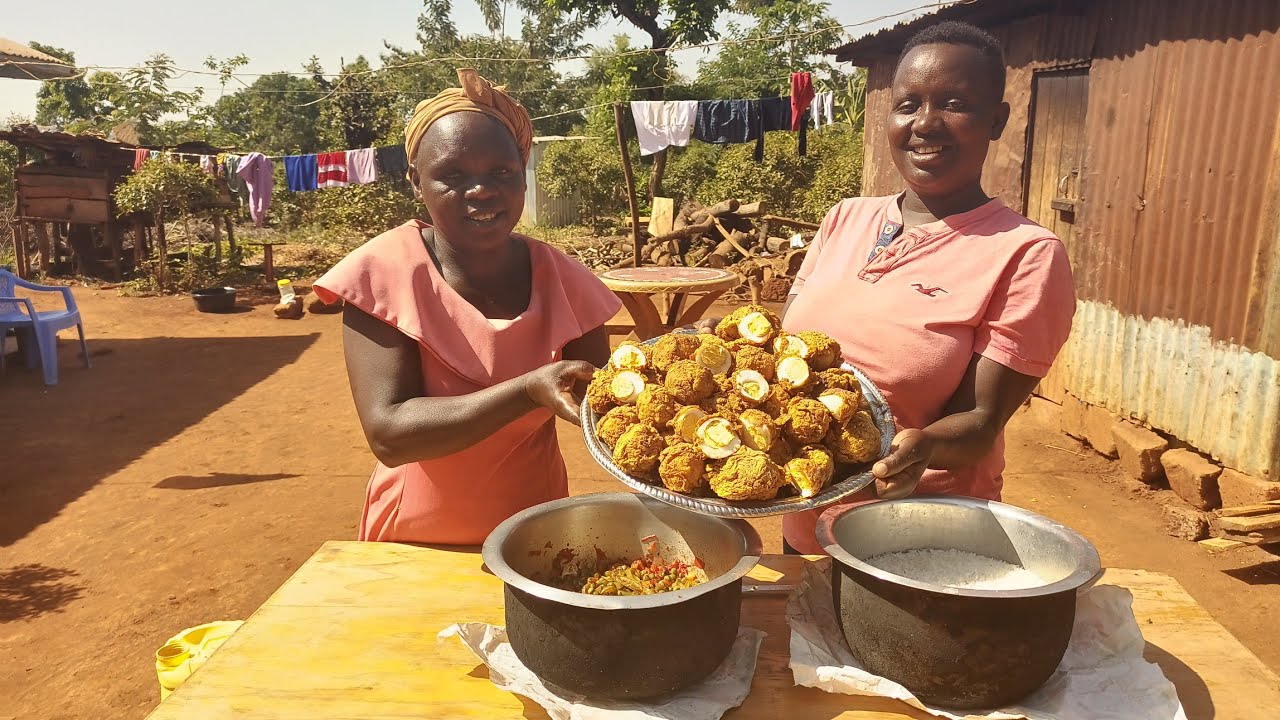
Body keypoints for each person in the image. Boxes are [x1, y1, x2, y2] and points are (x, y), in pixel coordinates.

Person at [707, 22, 1076, 554]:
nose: (925, 123)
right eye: (908, 105)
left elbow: (981, 421)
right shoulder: (845, 219)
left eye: (954, 104)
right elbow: (786, 352)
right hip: (807, 511)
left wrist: (923, 447)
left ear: (996, 120)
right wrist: (725, 349)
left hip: (920, 537)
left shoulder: (1025, 254)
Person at [312, 69, 621, 545]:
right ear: (417, 182)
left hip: (534, 535)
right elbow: (389, 434)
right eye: (453, 175)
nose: (481, 190)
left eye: (501, 172)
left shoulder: (564, 279)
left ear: (522, 173)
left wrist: (686, 359)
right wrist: (527, 392)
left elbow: (610, 406)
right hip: (416, 540)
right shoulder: (383, 275)